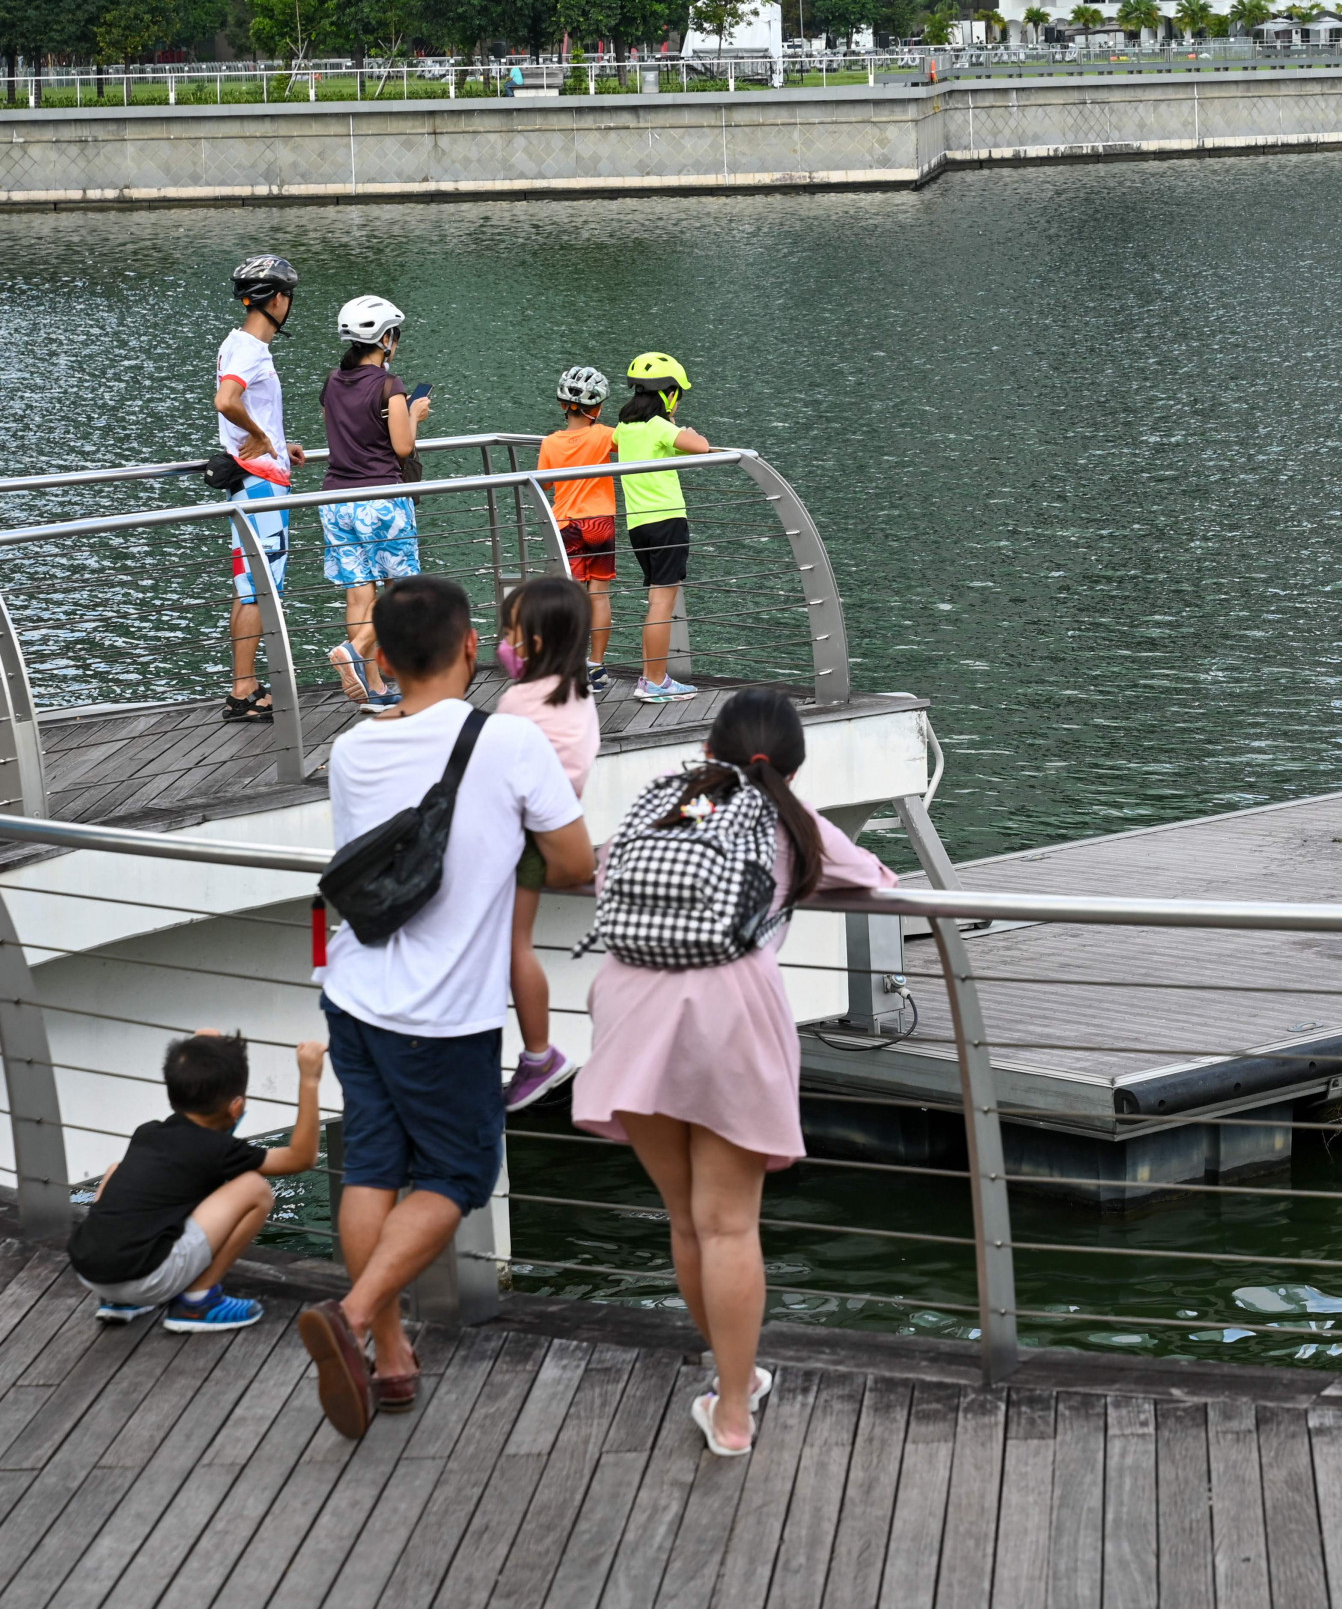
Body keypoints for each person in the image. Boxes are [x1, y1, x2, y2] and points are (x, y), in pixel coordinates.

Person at [298, 575, 592, 1439]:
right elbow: (572, 863)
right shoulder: (511, 743)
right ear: (472, 646)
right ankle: (352, 1319)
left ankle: (390, 1359)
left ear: (381, 659)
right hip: (445, 1015)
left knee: (374, 1171)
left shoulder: (353, 751)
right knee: (458, 1176)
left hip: (355, 995)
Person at [572, 688, 898, 1456]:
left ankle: (734, 1379)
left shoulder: (676, 806)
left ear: (709, 749)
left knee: (688, 1221)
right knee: (730, 1225)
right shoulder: (790, 823)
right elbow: (873, 876)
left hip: (632, 1007)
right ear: (790, 762)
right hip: (729, 1016)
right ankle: (733, 1413)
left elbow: (605, 876)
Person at [68, 1030, 325, 1330]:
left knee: (117, 1169)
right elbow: (301, 1157)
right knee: (255, 1189)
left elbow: (197, 1136)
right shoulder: (219, 1151)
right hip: (147, 1278)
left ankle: (119, 1302)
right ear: (236, 1107)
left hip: (90, 1271)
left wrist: (203, 1050)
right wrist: (309, 1080)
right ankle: (196, 1302)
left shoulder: (147, 1133)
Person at [496, 576, 601, 1109]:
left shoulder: (520, 702)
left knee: (515, 946)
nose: (504, 644)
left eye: (511, 633)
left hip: (524, 841)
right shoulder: (578, 694)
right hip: (561, 827)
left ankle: (539, 1054)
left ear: (534, 642)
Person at [318, 294, 432, 713]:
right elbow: (402, 448)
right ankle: (356, 647)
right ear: (386, 339)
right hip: (381, 499)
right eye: (394, 336)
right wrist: (413, 415)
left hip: (336, 499)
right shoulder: (390, 385)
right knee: (400, 591)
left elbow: (348, 430)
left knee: (358, 594)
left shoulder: (332, 380)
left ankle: (374, 687)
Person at [214, 255, 303, 725]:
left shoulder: (236, 343)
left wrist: (279, 443)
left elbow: (244, 407)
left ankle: (243, 686)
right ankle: (244, 690)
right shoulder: (250, 348)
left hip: (254, 482)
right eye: (290, 296)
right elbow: (227, 402)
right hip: (261, 490)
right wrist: (262, 438)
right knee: (258, 591)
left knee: (248, 587)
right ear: (278, 300)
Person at [611, 352, 709, 705]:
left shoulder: (625, 429)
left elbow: (630, 448)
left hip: (638, 525)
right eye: (678, 395)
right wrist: (686, 431)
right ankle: (654, 681)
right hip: (667, 521)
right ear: (668, 394)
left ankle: (652, 677)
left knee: (656, 599)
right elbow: (701, 446)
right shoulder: (659, 426)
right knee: (661, 603)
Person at [537, 367, 620, 695]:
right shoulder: (605, 435)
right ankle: (596, 666)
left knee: (569, 599)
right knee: (598, 596)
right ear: (598, 409)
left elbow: (544, 483)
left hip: (566, 524)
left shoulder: (550, 443)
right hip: (600, 523)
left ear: (561, 405)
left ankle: (566, 665)